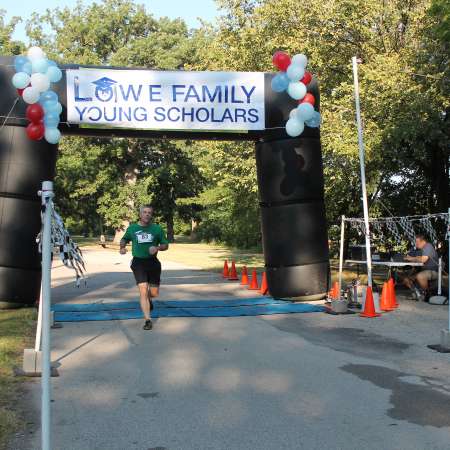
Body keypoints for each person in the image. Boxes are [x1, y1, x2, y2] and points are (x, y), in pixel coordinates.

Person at [119, 205, 169, 330]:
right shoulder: (132, 228)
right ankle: (148, 320)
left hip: (153, 263)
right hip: (138, 263)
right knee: (142, 290)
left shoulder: (157, 229)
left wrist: (157, 248)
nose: (147, 214)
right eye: (144, 212)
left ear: (151, 215)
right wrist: (122, 247)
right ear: (140, 214)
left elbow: (165, 245)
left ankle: (149, 299)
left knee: (154, 293)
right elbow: (124, 239)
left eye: (149, 213)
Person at [403, 234, 439, 301]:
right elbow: (418, 258)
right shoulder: (422, 249)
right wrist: (413, 258)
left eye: (417, 242)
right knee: (406, 279)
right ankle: (417, 294)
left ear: (423, 242)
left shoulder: (428, 246)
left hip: (433, 271)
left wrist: (412, 259)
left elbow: (423, 259)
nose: (416, 244)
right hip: (424, 270)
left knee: (420, 276)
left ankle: (427, 294)